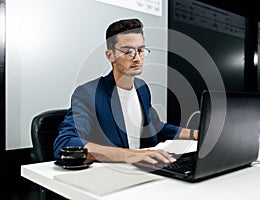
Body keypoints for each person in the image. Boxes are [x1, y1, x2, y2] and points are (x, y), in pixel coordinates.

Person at [53, 18, 198, 165]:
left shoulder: (142, 88)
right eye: (128, 51)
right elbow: (65, 143)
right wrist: (130, 155)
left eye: (140, 50)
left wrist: (195, 134)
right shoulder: (88, 93)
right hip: (111, 175)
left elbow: (157, 127)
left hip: (145, 170)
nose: (137, 59)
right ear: (110, 56)